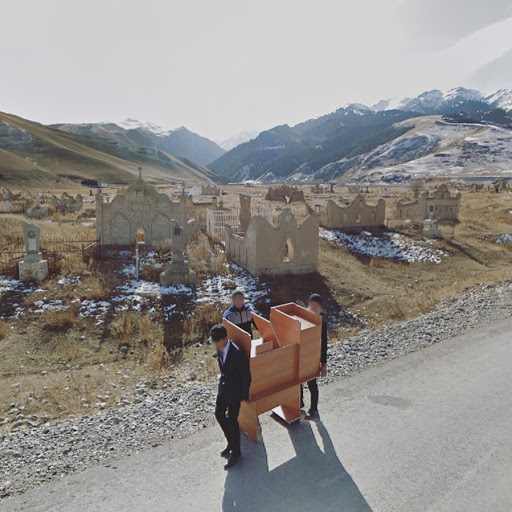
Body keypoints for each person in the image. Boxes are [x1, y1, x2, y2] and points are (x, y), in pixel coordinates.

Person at [211, 324, 251, 470]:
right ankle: (231, 442)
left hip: (234, 391)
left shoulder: (236, 353)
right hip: (224, 387)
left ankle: (236, 452)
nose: (215, 344)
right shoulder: (219, 347)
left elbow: (246, 375)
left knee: (233, 420)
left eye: (217, 341)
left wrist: (244, 394)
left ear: (225, 339)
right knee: (219, 414)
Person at [301, 293, 328, 419]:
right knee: (298, 381)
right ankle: (299, 403)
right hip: (302, 354)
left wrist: (323, 364)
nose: (312, 306)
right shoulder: (304, 314)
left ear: (319, 306)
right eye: (311, 304)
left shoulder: (321, 321)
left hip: (313, 356)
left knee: (312, 383)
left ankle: (314, 409)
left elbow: (323, 344)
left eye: (314, 305)